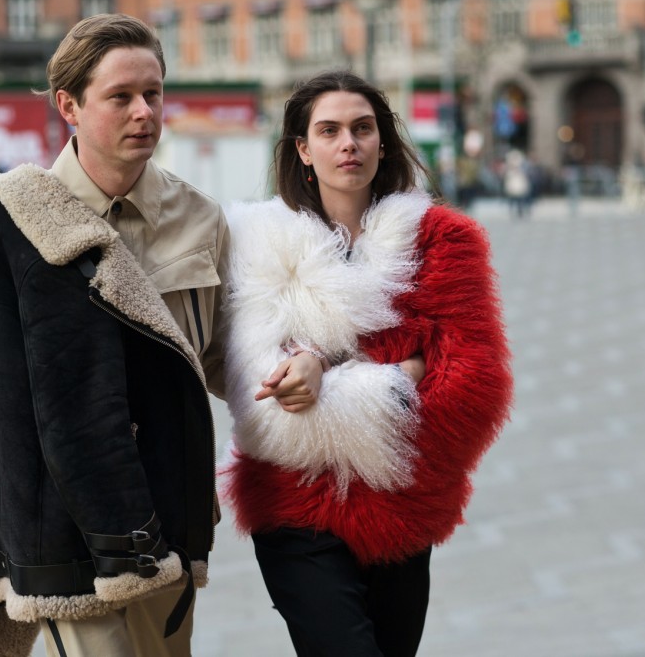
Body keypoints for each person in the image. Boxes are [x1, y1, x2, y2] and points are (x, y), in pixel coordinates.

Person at [0, 14, 230, 657]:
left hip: (172, 507)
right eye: (121, 96)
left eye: (153, 93)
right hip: (60, 518)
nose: (143, 112)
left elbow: (220, 354)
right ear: (70, 105)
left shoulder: (200, 219)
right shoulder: (11, 222)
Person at [219, 69, 513, 656]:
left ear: (384, 141)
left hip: (399, 510)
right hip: (294, 505)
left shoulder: (442, 242)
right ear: (303, 148)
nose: (348, 143)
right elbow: (265, 403)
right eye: (328, 131)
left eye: (362, 128)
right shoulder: (256, 243)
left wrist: (322, 372)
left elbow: (472, 389)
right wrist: (401, 376)